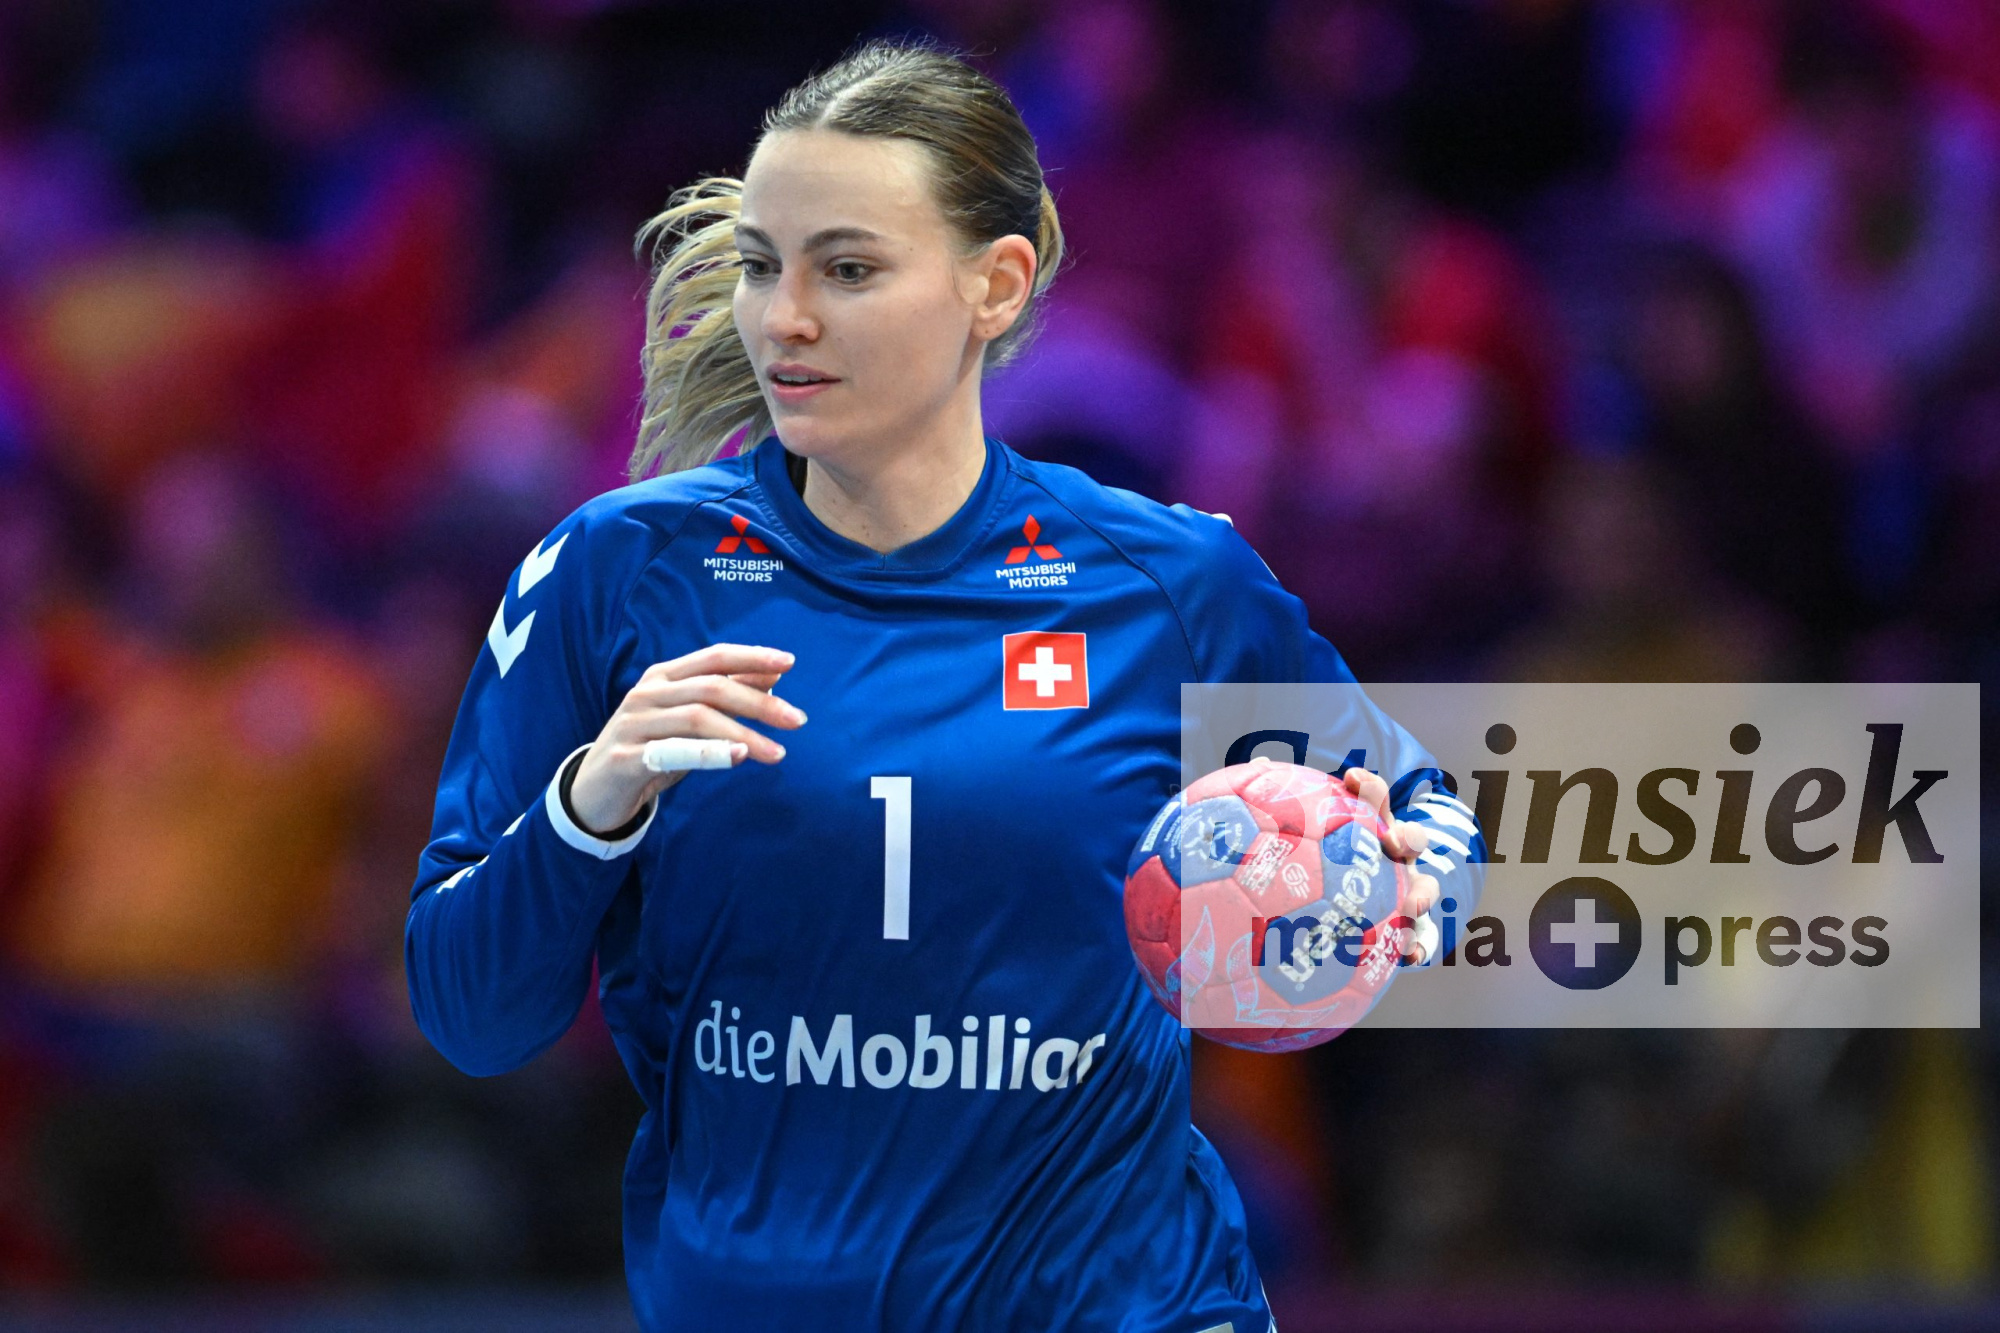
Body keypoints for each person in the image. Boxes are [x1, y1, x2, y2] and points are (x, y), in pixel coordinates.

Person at [405, 38, 1480, 1332]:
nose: (784, 317)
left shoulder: (1169, 584)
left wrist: (1403, 885)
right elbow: (470, 1016)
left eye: (848, 270)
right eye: (762, 265)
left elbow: (1431, 815)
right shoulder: (614, 573)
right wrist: (592, 801)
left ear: (995, 285)